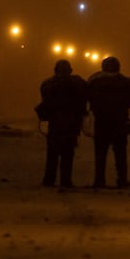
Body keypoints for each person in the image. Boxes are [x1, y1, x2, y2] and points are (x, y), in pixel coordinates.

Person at [37, 59, 87, 188]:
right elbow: (83, 99)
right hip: (71, 123)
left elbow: (45, 100)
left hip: (54, 123)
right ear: (70, 70)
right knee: (68, 154)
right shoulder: (77, 83)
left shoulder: (48, 84)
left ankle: (49, 179)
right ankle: (66, 180)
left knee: (52, 153)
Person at [87, 56, 130, 189]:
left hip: (101, 121)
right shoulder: (125, 82)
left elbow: (88, 97)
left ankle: (99, 179)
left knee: (100, 153)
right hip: (120, 121)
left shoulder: (95, 81)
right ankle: (122, 179)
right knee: (120, 153)